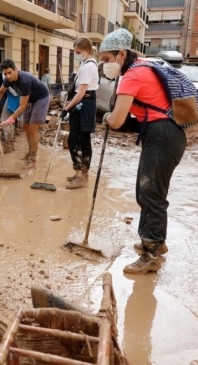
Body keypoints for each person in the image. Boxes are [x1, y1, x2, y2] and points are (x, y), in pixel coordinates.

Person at [99, 28, 186, 274]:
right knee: (148, 190)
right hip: (167, 134)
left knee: (150, 194)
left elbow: (116, 120)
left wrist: (106, 116)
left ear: (122, 54)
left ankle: (151, 255)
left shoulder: (132, 75)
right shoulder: (145, 65)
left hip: (162, 135)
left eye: (106, 59)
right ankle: (156, 240)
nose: (104, 65)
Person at [0, 59, 50, 168]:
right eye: (5, 74)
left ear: (15, 70)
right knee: (26, 126)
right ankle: (30, 151)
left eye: (9, 72)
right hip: (30, 99)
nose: (7, 76)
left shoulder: (24, 80)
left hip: (41, 98)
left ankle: (33, 158)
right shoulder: (8, 80)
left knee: (33, 127)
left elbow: (22, 106)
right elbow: (0, 91)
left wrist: (11, 119)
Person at [60, 36, 98, 189]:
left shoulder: (89, 66)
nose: (76, 54)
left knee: (76, 141)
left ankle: (80, 176)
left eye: (78, 51)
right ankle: (82, 173)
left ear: (87, 51)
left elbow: (81, 93)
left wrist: (66, 108)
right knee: (82, 140)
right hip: (84, 104)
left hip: (84, 104)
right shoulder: (86, 63)